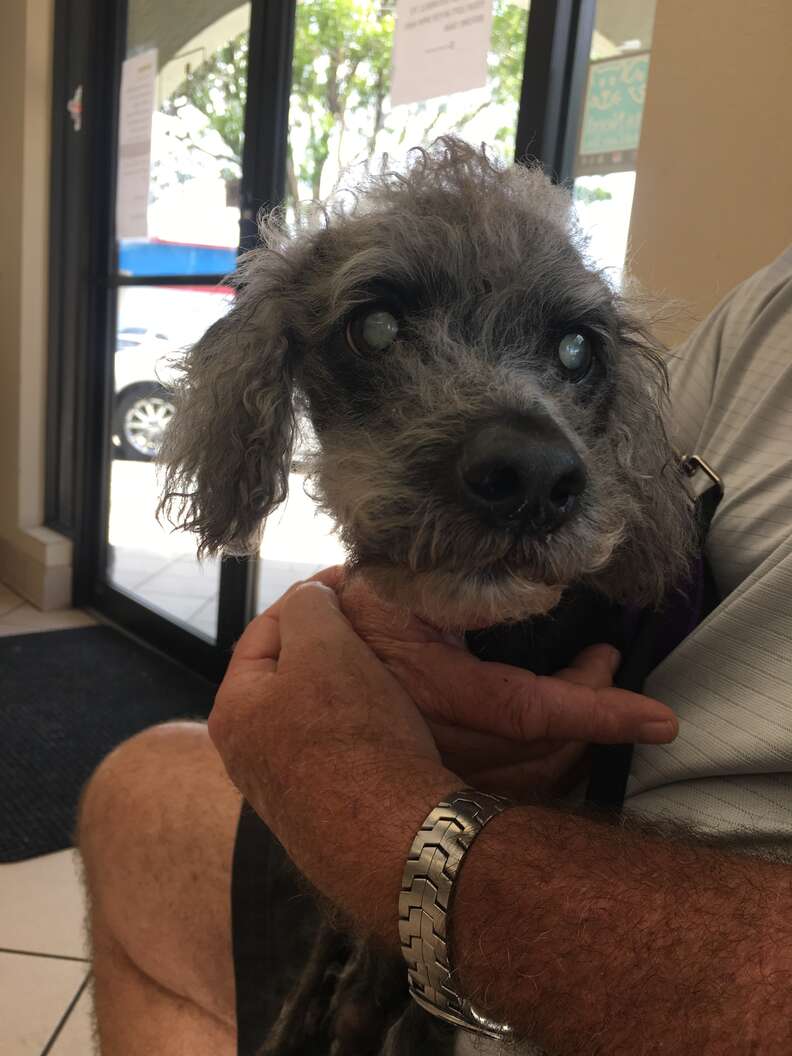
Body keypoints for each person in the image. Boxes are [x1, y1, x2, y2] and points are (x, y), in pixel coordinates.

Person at [78, 246, 792, 1055]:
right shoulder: (771, 301)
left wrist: (373, 807)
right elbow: (647, 486)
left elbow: (638, 506)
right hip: (561, 828)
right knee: (137, 793)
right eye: (378, 333)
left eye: (571, 353)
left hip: (631, 931)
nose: (533, 456)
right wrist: (377, 628)